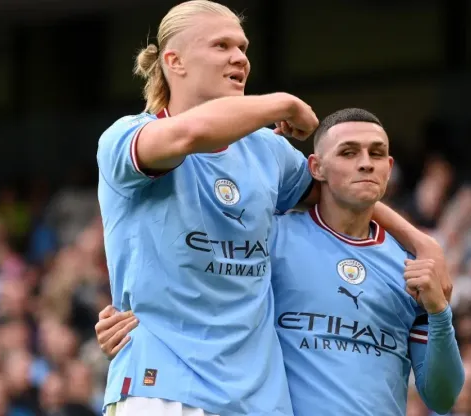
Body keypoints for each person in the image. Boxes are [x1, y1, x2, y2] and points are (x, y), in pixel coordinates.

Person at [96, 1, 447, 415]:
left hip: (259, 402)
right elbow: (189, 133)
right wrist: (282, 103)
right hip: (163, 388)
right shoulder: (126, 138)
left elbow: (341, 192)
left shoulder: (267, 152)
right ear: (175, 61)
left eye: (243, 47)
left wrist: (424, 244)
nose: (240, 57)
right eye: (221, 45)